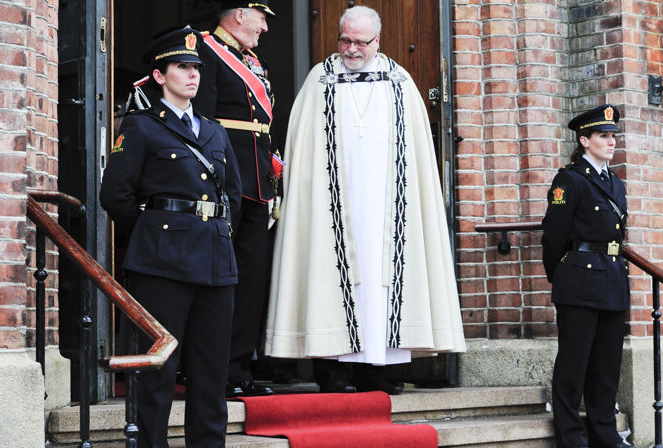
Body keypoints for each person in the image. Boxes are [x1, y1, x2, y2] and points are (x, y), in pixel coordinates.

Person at [264, 5, 466, 395]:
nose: (352, 49)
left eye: (360, 42)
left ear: (378, 40)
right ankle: (334, 372)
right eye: (345, 40)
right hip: (333, 205)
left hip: (387, 205)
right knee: (330, 273)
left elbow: (417, 157)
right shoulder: (319, 81)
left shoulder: (400, 82)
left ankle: (379, 370)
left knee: (384, 280)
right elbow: (303, 152)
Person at [100, 26, 241, 448]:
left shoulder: (214, 131)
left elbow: (230, 191)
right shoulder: (142, 127)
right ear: (160, 75)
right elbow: (116, 196)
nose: (193, 75)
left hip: (215, 261)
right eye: (183, 67)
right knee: (158, 368)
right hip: (162, 261)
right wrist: (156, 234)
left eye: (196, 67)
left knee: (211, 367)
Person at [193, 0, 277, 397]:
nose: (264, 29)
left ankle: (238, 368)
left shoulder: (251, 60)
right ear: (240, 14)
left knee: (251, 278)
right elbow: (204, 121)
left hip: (257, 180)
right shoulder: (204, 49)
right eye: (261, 19)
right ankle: (210, 368)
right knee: (219, 279)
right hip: (226, 177)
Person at [541, 104, 630, 448]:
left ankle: (604, 433)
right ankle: (571, 436)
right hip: (578, 281)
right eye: (603, 136)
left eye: (613, 137)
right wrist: (560, 274)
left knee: (606, 367)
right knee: (573, 365)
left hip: (611, 278)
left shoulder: (616, 182)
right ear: (584, 140)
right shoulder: (570, 179)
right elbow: (554, 235)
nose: (611, 142)